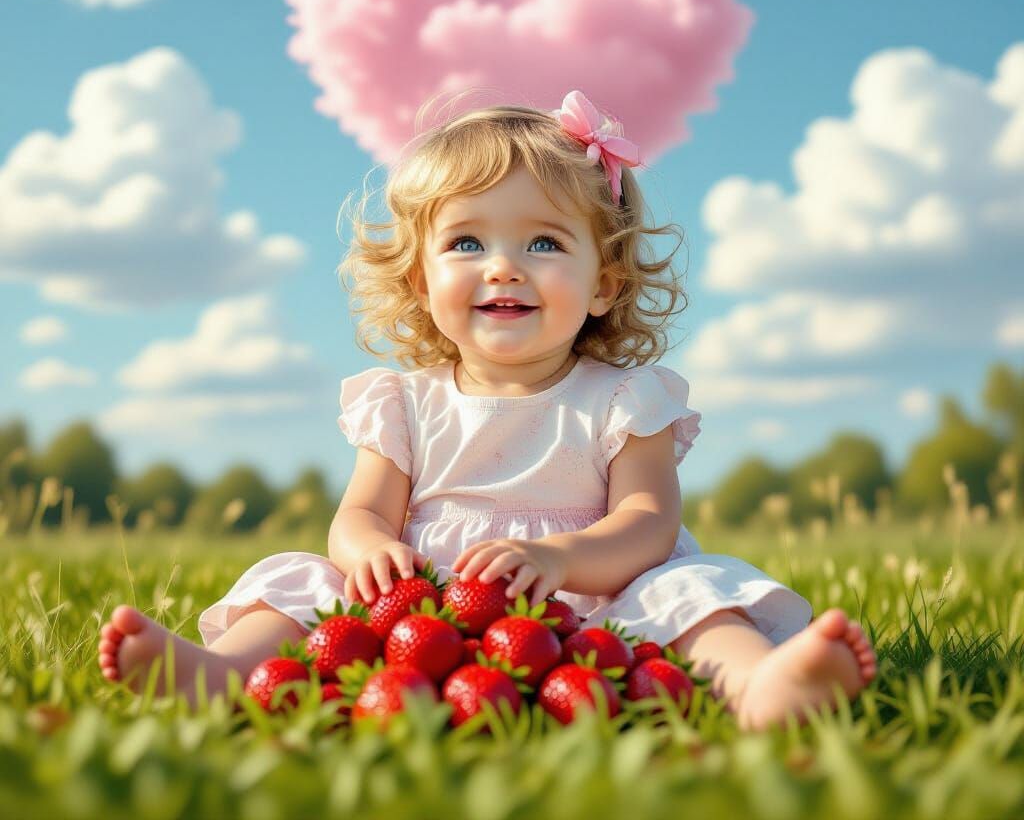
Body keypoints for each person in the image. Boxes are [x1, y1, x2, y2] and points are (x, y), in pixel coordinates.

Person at [99, 90, 877, 731]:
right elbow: (360, 514)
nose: (503, 267)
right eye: (467, 244)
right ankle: (223, 674)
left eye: (544, 244)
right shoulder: (404, 400)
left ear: (604, 283)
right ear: (419, 281)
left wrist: (560, 561)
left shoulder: (623, 399)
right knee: (299, 580)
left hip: (596, 612)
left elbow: (649, 523)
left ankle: (761, 686)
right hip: (424, 617)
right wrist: (370, 549)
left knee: (694, 593)